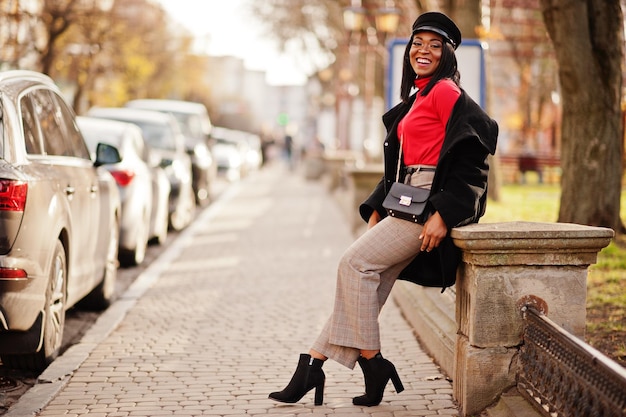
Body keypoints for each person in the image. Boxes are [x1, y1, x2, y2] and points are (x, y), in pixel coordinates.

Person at [268, 11, 498, 407]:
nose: (423, 51)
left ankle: (374, 364)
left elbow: (475, 153)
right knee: (359, 294)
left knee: (352, 265)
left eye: (434, 46)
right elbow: (401, 162)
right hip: (404, 202)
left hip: (425, 207)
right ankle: (312, 365)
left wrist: (444, 213)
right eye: (418, 44)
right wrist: (378, 204)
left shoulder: (445, 91)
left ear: (447, 55)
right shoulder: (418, 96)